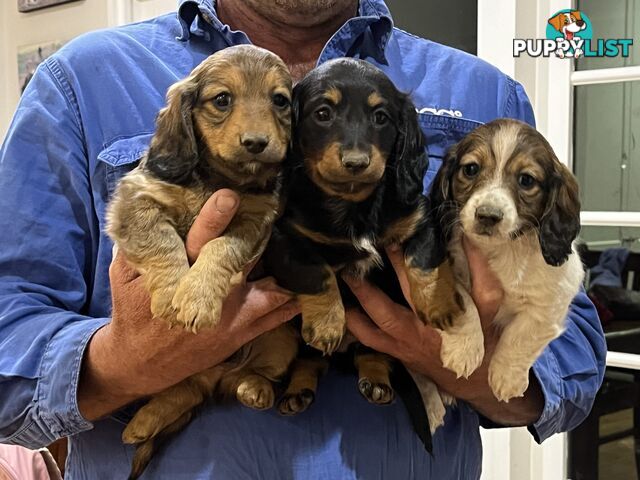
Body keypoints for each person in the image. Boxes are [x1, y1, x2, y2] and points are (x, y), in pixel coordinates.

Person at [0, 1, 606, 478]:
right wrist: (124, 362)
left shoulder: (486, 96)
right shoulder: (80, 83)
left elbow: (573, 349)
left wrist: (477, 364)